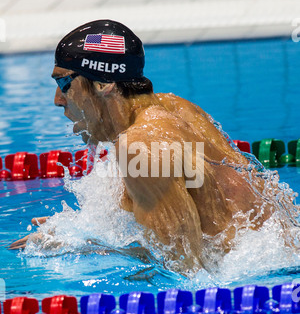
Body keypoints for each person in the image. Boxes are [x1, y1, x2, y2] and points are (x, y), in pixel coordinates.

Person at [9, 19, 273, 272]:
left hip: (264, 273)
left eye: (64, 83)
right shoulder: (173, 107)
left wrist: (81, 246)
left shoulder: (139, 147)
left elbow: (186, 269)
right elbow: (201, 205)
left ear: (103, 84)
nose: (58, 100)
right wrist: (84, 226)